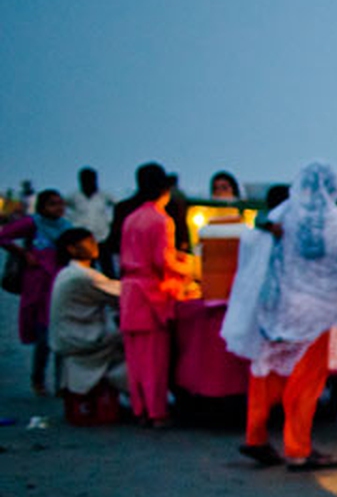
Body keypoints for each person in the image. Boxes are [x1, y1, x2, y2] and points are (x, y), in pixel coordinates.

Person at [222, 161, 337, 471]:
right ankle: (298, 447)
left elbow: (256, 231)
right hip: (320, 312)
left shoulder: (284, 213)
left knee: (266, 371)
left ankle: (256, 437)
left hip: (277, 307)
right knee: (307, 380)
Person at [117, 173, 198, 425]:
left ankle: (140, 409)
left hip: (130, 293)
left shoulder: (131, 218)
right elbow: (162, 261)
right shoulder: (161, 220)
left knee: (135, 361)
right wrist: (190, 268)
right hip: (150, 294)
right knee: (154, 360)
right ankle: (156, 412)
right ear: (166, 191)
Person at [1, 189, 70, 394]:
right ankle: (38, 380)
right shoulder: (33, 223)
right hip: (38, 285)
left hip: (59, 284)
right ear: (42, 207)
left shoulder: (66, 227)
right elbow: (3, 236)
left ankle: (61, 383)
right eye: (52, 204)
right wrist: (24, 254)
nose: (58, 208)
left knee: (61, 336)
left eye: (60, 203)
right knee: (44, 337)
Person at [47, 227, 127, 398]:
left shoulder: (70, 272)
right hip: (80, 337)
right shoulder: (82, 276)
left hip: (70, 334)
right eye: (89, 242)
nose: (94, 245)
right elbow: (123, 294)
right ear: (72, 248)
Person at [69, 168, 112, 241]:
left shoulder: (104, 196)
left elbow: (119, 205)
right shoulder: (74, 197)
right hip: (81, 239)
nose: (89, 182)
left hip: (102, 237)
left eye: (90, 179)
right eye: (85, 180)